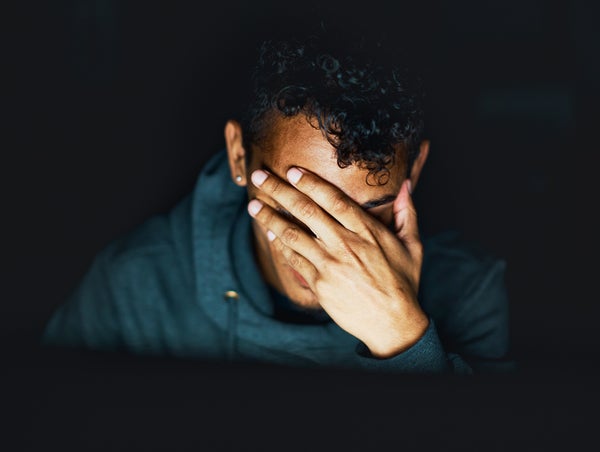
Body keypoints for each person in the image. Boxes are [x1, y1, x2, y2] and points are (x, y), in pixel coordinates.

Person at [41, 29, 513, 374]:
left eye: (368, 210)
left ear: (415, 170)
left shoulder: (469, 292)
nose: (331, 245)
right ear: (238, 155)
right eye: (298, 199)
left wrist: (405, 340)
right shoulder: (134, 286)